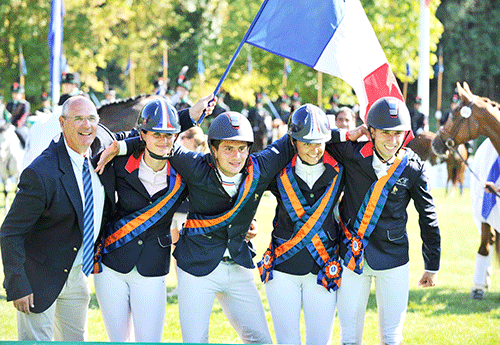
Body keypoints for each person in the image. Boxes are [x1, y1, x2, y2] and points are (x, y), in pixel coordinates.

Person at [0, 96, 115, 341]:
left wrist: (189, 115)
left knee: (76, 340)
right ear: (62, 123)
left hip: (76, 275)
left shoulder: (99, 156)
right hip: (38, 277)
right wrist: (18, 284)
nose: (86, 125)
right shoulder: (41, 172)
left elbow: (144, 136)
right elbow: (11, 232)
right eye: (78, 119)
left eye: (91, 119)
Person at [328, 97, 441, 345]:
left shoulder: (413, 167)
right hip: (350, 256)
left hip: (393, 256)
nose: (392, 141)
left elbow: (428, 216)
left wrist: (432, 264)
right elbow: (314, 142)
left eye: (398, 134)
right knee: (349, 337)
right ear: (371, 132)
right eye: (385, 133)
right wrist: (348, 134)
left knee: (391, 337)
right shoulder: (352, 154)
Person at [93, 99, 195, 342]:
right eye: (157, 134)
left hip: (153, 267)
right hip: (112, 265)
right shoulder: (119, 162)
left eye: (169, 135)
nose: (164, 140)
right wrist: (122, 146)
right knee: (117, 341)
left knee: (149, 341)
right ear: (143, 135)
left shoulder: (184, 169)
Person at [258, 104, 345, 345]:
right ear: (293, 142)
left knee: (320, 341)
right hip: (283, 267)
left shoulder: (340, 171)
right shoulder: (278, 171)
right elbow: (248, 189)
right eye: (306, 143)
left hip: (323, 267)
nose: (314, 149)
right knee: (288, 341)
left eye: (319, 142)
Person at [6, 82, 31, 147]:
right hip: (9, 126)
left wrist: (17, 125)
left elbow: (24, 117)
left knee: (25, 138)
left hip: (20, 127)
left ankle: (26, 149)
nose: (15, 95)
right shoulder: (9, 104)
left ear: (21, 94)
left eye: (17, 93)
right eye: (14, 93)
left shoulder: (24, 104)